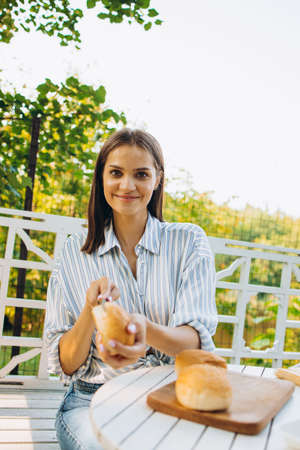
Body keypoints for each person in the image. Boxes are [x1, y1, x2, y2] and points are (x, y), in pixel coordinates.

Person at [45, 128, 217, 450]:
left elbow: (195, 340)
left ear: (158, 179)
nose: (127, 185)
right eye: (116, 173)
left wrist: (143, 329)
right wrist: (90, 310)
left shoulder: (189, 241)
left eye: (141, 174)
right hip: (91, 399)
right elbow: (66, 363)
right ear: (102, 179)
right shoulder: (73, 254)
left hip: (170, 394)